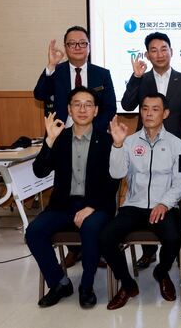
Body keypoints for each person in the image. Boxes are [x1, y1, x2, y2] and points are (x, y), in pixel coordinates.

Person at [26, 87, 119, 309]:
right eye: (77, 104)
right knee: (34, 232)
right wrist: (49, 140)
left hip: (96, 206)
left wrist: (91, 207)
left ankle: (86, 287)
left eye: (88, 105)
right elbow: (39, 171)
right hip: (62, 205)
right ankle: (59, 283)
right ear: (69, 109)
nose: (82, 109)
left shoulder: (107, 140)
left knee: (90, 228)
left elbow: (113, 181)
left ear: (96, 110)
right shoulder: (59, 138)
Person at [33, 26, 117, 267]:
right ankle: (74, 249)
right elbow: (39, 94)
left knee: (93, 189)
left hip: (94, 139)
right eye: (72, 43)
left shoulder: (102, 73)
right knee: (65, 191)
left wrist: (89, 129)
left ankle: (93, 246)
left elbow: (109, 107)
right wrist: (50, 66)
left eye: (83, 43)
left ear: (89, 46)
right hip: (61, 139)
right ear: (66, 47)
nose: (78, 47)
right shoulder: (56, 72)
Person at [101, 93, 181, 310]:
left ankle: (161, 272)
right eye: (145, 108)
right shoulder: (129, 142)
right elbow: (116, 173)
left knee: (173, 238)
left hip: (163, 206)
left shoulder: (176, 144)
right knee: (105, 238)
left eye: (155, 109)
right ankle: (128, 284)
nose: (149, 113)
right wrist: (117, 145)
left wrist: (164, 204)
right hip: (133, 205)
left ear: (165, 114)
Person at [120, 31, 181, 270]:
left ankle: (176, 249)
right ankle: (148, 251)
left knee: (175, 200)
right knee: (144, 194)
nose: (160, 54)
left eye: (164, 49)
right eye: (154, 50)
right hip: (145, 146)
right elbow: (127, 105)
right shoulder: (141, 79)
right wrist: (135, 77)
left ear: (172, 51)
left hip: (175, 149)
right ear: (147, 54)